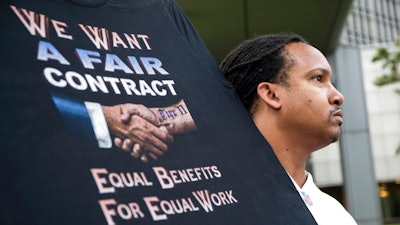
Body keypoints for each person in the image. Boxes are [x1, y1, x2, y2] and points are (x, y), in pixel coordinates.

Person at [219, 33, 358, 224]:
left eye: (330, 81)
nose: (338, 96)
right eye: (318, 78)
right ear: (271, 94)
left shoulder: (335, 214)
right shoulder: (217, 202)